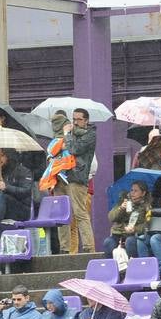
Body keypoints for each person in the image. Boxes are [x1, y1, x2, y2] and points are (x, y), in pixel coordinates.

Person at [59, 108, 96, 254]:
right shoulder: (74, 134)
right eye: (73, 119)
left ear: (86, 120)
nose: (75, 122)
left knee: (80, 213)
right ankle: (64, 248)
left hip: (77, 177)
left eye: (79, 119)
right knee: (62, 215)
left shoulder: (91, 135)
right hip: (63, 177)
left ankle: (89, 248)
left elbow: (75, 149)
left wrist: (67, 135)